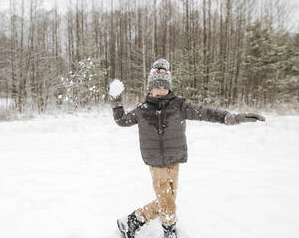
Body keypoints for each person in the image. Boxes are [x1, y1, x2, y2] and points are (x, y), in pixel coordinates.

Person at [110, 59, 265, 238]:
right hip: (156, 163)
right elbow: (121, 121)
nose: (160, 90)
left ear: (169, 87)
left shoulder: (179, 106)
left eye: (163, 87)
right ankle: (170, 232)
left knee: (168, 200)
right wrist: (116, 100)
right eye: (156, 87)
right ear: (149, 89)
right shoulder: (142, 110)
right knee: (167, 203)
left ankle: (131, 221)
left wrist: (233, 118)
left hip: (174, 161)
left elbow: (206, 112)